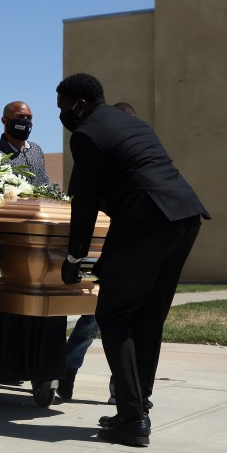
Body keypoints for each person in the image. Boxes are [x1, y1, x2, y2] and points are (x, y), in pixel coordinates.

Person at [57, 73, 209, 447]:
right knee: (149, 316)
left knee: (112, 313)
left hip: (148, 219)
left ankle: (132, 416)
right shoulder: (131, 124)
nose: (62, 114)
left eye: (63, 107)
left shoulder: (87, 134)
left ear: (79, 103)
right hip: (185, 217)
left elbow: (86, 201)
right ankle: (137, 404)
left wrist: (75, 256)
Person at [57, 100, 140, 402]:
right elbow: (78, 199)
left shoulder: (135, 151)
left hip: (131, 242)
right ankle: (68, 370)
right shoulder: (96, 149)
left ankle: (123, 391)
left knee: (116, 319)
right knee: (95, 317)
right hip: (100, 241)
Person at [0, 101, 49, 186]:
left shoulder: (36, 150)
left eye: (29, 118)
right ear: (4, 121)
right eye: (19, 117)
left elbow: (45, 183)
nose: (26, 121)